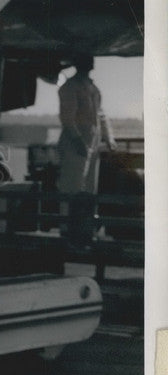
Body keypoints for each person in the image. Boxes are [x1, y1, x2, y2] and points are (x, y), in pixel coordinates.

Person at [57, 54, 116, 245]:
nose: (90, 63)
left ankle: (87, 227)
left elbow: (101, 114)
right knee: (72, 185)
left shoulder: (93, 88)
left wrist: (109, 139)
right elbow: (67, 119)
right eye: (85, 59)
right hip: (76, 140)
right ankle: (67, 227)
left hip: (93, 139)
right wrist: (77, 141)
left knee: (90, 187)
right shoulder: (70, 87)